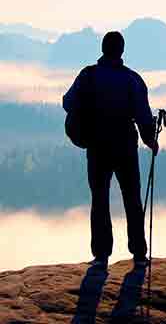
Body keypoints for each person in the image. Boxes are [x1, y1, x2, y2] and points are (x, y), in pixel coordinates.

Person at [63, 32, 158, 269]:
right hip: (125, 146)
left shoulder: (88, 76)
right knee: (132, 198)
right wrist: (151, 141)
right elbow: (143, 116)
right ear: (122, 51)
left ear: (103, 48)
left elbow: (68, 102)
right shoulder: (131, 80)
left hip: (97, 146)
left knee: (99, 198)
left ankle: (101, 255)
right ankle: (138, 253)